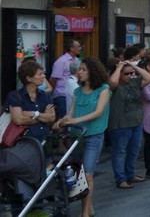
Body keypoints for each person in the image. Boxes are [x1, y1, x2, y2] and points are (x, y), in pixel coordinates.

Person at [53, 57, 111, 217]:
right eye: (79, 69)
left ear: (92, 72)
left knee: (88, 174)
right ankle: (89, 208)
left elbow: (98, 112)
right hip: (77, 138)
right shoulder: (78, 91)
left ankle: (85, 213)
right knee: (80, 174)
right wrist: (61, 121)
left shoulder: (103, 89)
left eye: (83, 69)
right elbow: (70, 113)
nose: (79, 72)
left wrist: (74, 121)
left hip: (94, 136)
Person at [107, 60, 150, 189]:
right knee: (120, 152)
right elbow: (113, 83)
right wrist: (119, 67)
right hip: (120, 125)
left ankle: (130, 174)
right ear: (119, 74)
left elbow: (148, 77)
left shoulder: (134, 82)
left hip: (136, 123)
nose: (130, 76)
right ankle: (121, 179)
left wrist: (134, 67)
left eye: (131, 73)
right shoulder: (114, 86)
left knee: (134, 151)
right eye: (126, 74)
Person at [5, 60, 55, 142]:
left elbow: (52, 118)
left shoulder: (46, 96)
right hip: (23, 141)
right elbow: (19, 120)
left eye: (43, 73)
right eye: (40, 74)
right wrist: (44, 116)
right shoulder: (14, 96)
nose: (43, 76)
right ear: (29, 78)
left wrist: (34, 114)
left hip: (44, 140)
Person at [49, 38, 81, 119]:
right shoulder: (61, 61)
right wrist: (51, 95)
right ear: (71, 49)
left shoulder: (77, 60)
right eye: (78, 46)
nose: (80, 48)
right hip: (62, 94)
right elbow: (53, 79)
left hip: (74, 92)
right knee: (63, 119)